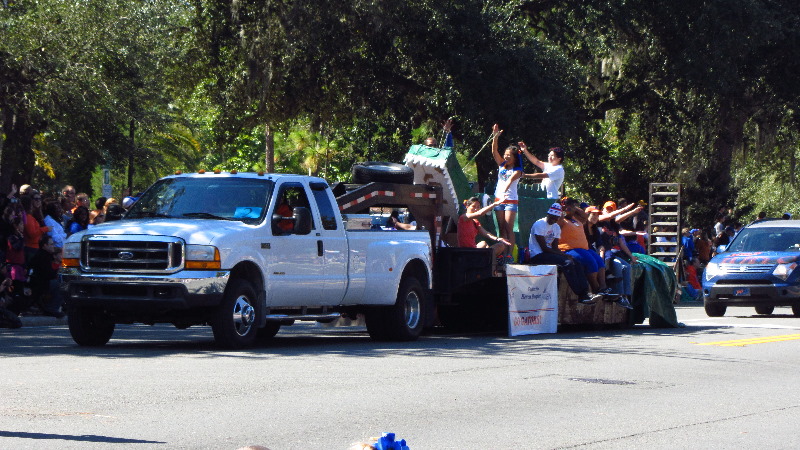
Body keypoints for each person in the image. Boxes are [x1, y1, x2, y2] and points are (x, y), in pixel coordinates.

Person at [528, 203, 602, 305]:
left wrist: (566, 255)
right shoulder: (539, 224)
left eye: (555, 219)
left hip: (549, 253)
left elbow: (554, 247)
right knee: (567, 262)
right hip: (538, 255)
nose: (553, 221)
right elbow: (544, 248)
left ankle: (585, 293)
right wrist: (564, 256)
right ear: (548, 215)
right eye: (552, 218)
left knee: (576, 262)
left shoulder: (556, 227)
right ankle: (580, 294)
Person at [557, 197, 612, 297]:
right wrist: (565, 207)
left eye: (575, 207)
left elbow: (585, 217)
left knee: (599, 261)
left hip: (584, 249)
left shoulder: (576, 219)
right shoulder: (562, 220)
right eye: (572, 207)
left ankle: (604, 287)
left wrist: (574, 207)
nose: (575, 209)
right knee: (590, 262)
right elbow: (558, 218)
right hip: (568, 249)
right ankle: (596, 289)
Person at [490, 124, 523, 261]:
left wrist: (504, 193)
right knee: (501, 227)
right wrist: (495, 137)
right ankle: (502, 253)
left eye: (509, 155)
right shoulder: (502, 165)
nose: (506, 157)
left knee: (509, 228)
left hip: (510, 200)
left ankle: (509, 254)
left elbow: (509, 181)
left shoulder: (518, 171)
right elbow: (494, 151)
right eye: (505, 155)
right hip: (499, 199)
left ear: (515, 158)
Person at [27, 235, 65, 318]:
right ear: (45, 245)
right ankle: (52, 308)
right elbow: (48, 274)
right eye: (51, 244)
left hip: (42, 282)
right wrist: (58, 271)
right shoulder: (42, 256)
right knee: (61, 285)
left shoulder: (46, 255)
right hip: (39, 284)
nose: (53, 246)